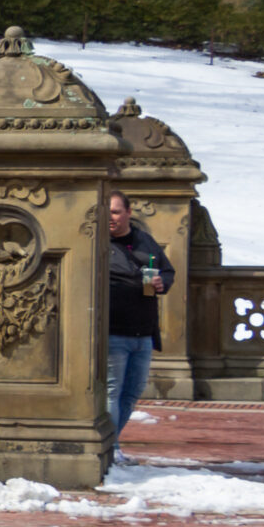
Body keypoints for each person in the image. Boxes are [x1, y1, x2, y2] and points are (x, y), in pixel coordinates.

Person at [105, 189, 174, 464]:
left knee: (132, 392)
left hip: (143, 332)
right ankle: (110, 447)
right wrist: (134, 281)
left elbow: (167, 271)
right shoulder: (96, 243)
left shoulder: (145, 241)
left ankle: (112, 443)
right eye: (106, 211)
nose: (110, 217)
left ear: (128, 213)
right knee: (112, 390)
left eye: (115, 211)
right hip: (114, 330)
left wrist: (162, 283)